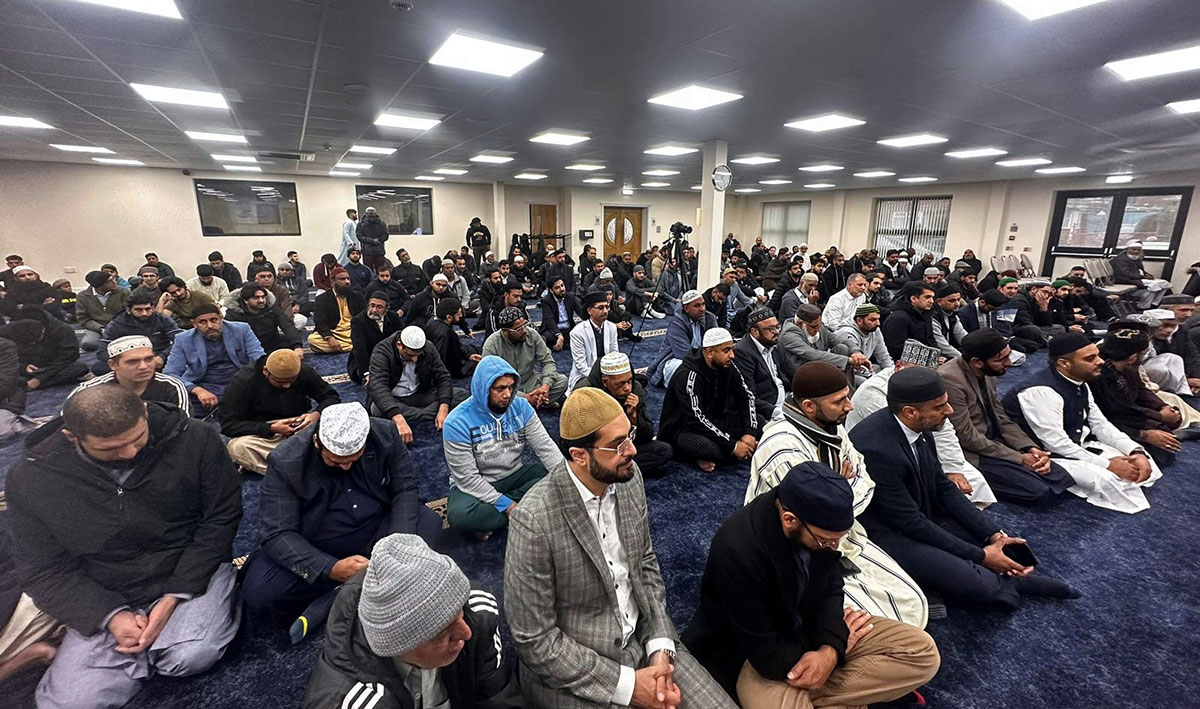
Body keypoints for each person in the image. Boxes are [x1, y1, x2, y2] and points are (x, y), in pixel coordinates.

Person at [7, 385, 242, 708]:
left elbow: (220, 520)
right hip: (104, 588)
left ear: (144, 413)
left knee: (189, 656)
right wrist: (110, 616)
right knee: (71, 703)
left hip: (188, 568)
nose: (130, 453)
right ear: (73, 437)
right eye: (112, 449)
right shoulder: (31, 478)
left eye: (137, 439)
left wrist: (175, 596)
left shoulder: (193, 438)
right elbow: (44, 568)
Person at [504, 387, 736, 709]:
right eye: (617, 445)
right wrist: (628, 686)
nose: (633, 451)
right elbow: (534, 639)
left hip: (644, 641)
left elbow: (645, 563)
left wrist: (659, 645)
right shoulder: (534, 520)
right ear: (579, 455)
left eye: (630, 436)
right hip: (577, 671)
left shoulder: (629, 478)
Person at [685, 462, 940, 705]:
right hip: (751, 660)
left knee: (923, 653)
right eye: (825, 541)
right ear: (789, 519)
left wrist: (830, 649)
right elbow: (768, 657)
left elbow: (831, 588)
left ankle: (818, 695)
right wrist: (836, 646)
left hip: (812, 636)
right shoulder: (737, 551)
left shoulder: (819, 527)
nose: (833, 547)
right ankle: (847, 697)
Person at [850, 368, 1079, 610]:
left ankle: (967, 575)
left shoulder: (918, 424)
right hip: (886, 532)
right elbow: (908, 522)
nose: (949, 412)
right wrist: (981, 556)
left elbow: (943, 487)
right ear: (910, 412)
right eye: (940, 407)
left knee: (988, 542)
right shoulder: (875, 448)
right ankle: (1002, 582)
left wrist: (993, 534)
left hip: (921, 513)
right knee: (981, 586)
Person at [746, 361, 930, 627]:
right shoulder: (782, 448)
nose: (850, 406)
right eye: (840, 400)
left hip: (840, 532)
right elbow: (814, 515)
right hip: (791, 546)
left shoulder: (832, 425)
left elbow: (864, 478)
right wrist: (842, 485)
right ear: (809, 406)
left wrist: (837, 489)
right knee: (866, 624)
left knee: (912, 600)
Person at [242, 403, 444, 627]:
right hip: (318, 542)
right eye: (336, 461)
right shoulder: (286, 461)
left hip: (377, 528)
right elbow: (278, 533)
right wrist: (331, 568)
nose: (346, 467)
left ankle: (335, 598)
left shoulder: (384, 434)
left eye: (353, 460)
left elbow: (404, 488)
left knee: (428, 522)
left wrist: (397, 544)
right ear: (317, 443)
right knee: (260, 594)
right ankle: (369, 586)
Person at [302, 534, 520, 708]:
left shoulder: (477, 614)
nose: (466, 633)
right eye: (441, 632)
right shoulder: (346, 700)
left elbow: (498, 697)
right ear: (396, 647)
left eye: (458, 612)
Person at [1002, 333, 1164, 514]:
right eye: (1091, 358)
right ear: (1064, 364)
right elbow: (1056, 444)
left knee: (1144, 463)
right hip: (1049, 455)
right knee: (1109, 480)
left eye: (1098, 355)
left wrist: (1135, 451)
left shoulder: (1080, 382)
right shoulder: (1040, 392)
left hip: (1078, 443)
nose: (1101, 361)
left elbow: (1100, 424)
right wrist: (1109, 464)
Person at [847, 339, 995, 510]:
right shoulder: (873, 393)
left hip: (921, 444)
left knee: (971, 480)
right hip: (886, 457)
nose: (917, 381)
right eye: (913, 372)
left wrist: (953, 468)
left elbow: (943, 427)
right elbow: (897, 436)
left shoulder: (929, 388)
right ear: (897, 366)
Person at [939, 329, 1074, 506]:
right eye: (1001, 359)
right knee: (1038, 491)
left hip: (993, 439)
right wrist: (1018, 458)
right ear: (977, 362)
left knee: (1061, 476)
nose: (1009, 363)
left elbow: (1001, 415)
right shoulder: (950, 379)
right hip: (971, 450)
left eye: (1008, 356)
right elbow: (966, 436)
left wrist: (1028, 448)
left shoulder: (989, 372)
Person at [442, 356, 562, 540]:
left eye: (511, 387)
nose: (507, 394)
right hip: (477, 483)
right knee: (459, 515)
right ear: (484, 389)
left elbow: (546, 448)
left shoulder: (521, 407)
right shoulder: (456, 421)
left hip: (515, 474)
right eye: (500, 388)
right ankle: (527, 508)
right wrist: (507, 505)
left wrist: (570, 483)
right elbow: (467, 479)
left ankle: (491, 517)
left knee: (558, 476)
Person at [220, 349, 340, 474]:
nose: (287, 386)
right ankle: (289, 471)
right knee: (237, 447)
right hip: (265, 434)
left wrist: (316, 414)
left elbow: (331, 397)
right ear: (265, 371)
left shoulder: (302, 371)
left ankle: (293, 463)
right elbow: (229, 425)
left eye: (291, 381)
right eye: (280, 382)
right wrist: (270, 428)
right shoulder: (244, 382)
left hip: (302, 427)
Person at [659, 327, 759, 472]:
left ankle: (734, 448)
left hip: (715, 420)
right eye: (726, 350)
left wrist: (750, 433)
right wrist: (733, 446)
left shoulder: (727, 365)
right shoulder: (688, 375)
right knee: (711, 450)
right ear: (710, 352)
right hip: (684, 429)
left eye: (732, 349)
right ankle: (694, 456)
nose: (732, 355)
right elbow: (696, 419)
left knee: (759, 423)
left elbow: (746, 397)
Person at [1090, 326, 1186, 467]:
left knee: (1173, 415)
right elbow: (1113, 414)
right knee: (1158, 452)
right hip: (1111, 421)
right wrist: (1147, 431)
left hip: (1128, 413)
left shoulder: (1128, 366)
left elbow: (1141, 389)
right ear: (1133, 357)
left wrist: (1162, 407)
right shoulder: (1097, 376)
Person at [571, 352, 673, 477]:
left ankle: (608, 472)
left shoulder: (635, 390)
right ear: (605, 381)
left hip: (623, 447)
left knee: (663, 450)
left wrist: (633, 417)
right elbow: (577, 441)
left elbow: (647, 436)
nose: (627, 388)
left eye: (629, 381)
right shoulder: (584, 395)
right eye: (620, 384)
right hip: (599, 450)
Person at [367, 326, 467, 443]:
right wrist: (398, 418)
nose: (414, 359)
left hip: (422, 394)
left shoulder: (428, 347)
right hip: (396, 399)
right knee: (377, 408)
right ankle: (426, 414)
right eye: (409, 355)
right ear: (399, 345)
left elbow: (443, 377)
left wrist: (443, 409)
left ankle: (418, 415)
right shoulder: (382, 351)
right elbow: (378, 387)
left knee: (461, 395)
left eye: (417, 355)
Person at [164, 303, 265, 415]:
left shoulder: (242, 329)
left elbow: (259, 359)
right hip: (204, 387)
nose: (210, 325)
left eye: (214, 320)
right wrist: (197, 390)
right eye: (203, 322)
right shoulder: (183, 339)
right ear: (194, 324)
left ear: (221, 318)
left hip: (241, 383)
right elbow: (170, 373)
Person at [68, 334, 190, 414]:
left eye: (148, 359)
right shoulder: (89, 390)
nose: (143, 367)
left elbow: (184, 427)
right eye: (133, 362)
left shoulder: (172, 386)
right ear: (113, 365)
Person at [482, 307, 568, 409]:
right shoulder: (492, 345)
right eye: (518, 329)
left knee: (562, 381)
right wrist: (524, 397)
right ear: (505, 331)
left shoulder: (532, 334)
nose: (524, 331)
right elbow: (490, 380)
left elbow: (548, 361)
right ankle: (536, 403)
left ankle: (532, 403)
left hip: (530, 382)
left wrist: (545, 387)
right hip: (507, 388)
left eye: (525, 325)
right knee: (493, 395)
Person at [0, 310, 91, 390]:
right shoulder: (8, 331)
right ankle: (23, 384)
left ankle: (25, 385)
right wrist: (23, 367)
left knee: (79, 368)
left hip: (51, 365)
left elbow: (69, 357)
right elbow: (5, 359)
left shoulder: (62, 329)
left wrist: (40, 379)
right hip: (22, 365)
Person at [97, 289, 181, 371]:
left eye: (147, 309)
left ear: (152, 308)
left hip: (158, 357)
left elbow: (181, 341)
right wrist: (127, 361)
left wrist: (163, 356)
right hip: (129, 359)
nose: (144, 313)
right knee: (99, 368)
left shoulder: (162, 320)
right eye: (138, 310)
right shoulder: (117, 323)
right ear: (129, 310)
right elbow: (102, 350)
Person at [778, 303, 864, 383]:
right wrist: (848, 361)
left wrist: (856, 352)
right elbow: (812, 354)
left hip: (820, 369)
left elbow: (840, 339)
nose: (818, 329)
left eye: (819, 325)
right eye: (814, 327)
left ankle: (846, 389)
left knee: (842, 348)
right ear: (800, 324)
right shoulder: (789, 333)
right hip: (804, 376)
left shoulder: (818, 326)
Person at [650, 289, 716, 386]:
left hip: (704, 357)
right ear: (686, 308)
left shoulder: (710, 318)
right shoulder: (676, 324)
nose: (702, 309)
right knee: (680, 367)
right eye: (697, 306)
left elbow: (715, 344)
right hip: (677, 358)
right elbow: (684, 354)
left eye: (703, 304)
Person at [734, 307, 788, 425]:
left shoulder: (775, 344)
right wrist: (777, 412)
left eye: (777, 327)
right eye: (771, 329)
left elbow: (787, 374)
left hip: (786, 402)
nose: (776, 332)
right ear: (755, 332)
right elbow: (749, 396)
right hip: (767, 412)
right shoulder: (743, 353)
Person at [224, 283, 303, 355]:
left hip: (272, 344)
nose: (261, 300)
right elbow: (229, 338)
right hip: (248, 349)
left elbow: (287, 326)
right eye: (256, 298)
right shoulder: (233, 314)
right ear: (245, 300)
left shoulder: (271, 308)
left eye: (263, 297)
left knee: (289, 345)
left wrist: (297, 346)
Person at [348, 291, 404, 385]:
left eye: (379, 307)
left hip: (388, 357)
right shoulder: (358, 321)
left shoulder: (393, 316)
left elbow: (401, 336)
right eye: (372, 305)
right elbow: (360, 350)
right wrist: (366, 373)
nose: (374, 310)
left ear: (387, 309)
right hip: (367, 360)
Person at [567, 290, 619, 390]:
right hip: (587, 376)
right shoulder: (577, 332)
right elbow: (581, 367)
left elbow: (614, 354)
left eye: (606, 307)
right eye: (600, 308)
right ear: (589, 310)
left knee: (636, 383)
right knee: (584, 389)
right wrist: (602, 379)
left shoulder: (612, 327)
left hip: (608, 373)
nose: (605, 311)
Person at [309, 267, 365, 354]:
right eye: (342, 279)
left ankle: (345, 346)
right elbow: (320, 322)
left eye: (348, 279)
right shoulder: (322, 299)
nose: (347, 282)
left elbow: (364, 317)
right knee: (312, 340)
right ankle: (354, 347)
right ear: (332, 282)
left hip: (353, 331)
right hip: (335, 333)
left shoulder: (357, 296)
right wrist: (330, 338)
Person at [424, 297, 482, 379]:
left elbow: (456, 346)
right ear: (449, 317)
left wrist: (468, 355)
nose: (461, 316)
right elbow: (440, 360)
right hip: (454, 368)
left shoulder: (433, 321)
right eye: (458, 314)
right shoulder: (443, 334)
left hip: (454, 355)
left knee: (476, 350)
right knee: (482, 362)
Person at [881, 282, 937, 361]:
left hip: (926, 358)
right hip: (903, 362)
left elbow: (930, 340)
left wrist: (937, 355)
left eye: (932, 297)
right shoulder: (897, 318)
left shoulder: (926, 314)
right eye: (927, 297)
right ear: (913, 299)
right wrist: (929, 357)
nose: (931, 301)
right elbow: (896, 349)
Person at [76, 269, 129, 351]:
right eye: (109, 281)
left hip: (119, 325)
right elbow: (83, 318)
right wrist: (100, 328)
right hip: (96, 327)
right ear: (100, 286)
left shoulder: (123, 292)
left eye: (113, 279)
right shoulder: (83, 296)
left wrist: (114, 326)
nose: (114, 282)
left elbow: (128, 312)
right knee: (88, 343)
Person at [1110, 240, 1170, 309]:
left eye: (1138, 250)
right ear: (1127, 249)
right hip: (1126, 280)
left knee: (1165, 284)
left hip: (1137, 278)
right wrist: (1143, 276)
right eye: (1133, 249)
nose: (1136, 251)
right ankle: (1144, 307)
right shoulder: (1120, 260)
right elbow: (1126, 273)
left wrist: (1148, 275)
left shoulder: (1136, 258)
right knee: (1153, 287)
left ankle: (1154, 304)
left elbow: (1141, 270)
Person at [538, 276, 582, 351]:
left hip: (568, 328)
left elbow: (582, 312)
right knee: (549, 338)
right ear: (551, 290)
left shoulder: (570, 297)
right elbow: (549, 320)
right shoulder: (546, 301)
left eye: (562, 285)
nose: (562, 289)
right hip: (554, 330)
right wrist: (559, 335)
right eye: (557, 287)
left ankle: (564, 343)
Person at [930, 283, 968, 358]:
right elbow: (942, 346)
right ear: (939, 302)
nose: (957, 304)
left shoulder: (953, 315)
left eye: (958, 300)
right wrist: (962, 358)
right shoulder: (933, 317)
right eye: (952, 301)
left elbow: (963, 336)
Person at [356, 206, 390, 271]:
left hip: (379, 250)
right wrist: (372, 241)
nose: (371, 217)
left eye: (372, 215)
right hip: (367, 251)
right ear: (366, 214)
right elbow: (359, 236)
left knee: (381, 270)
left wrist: (379, 240)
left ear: (375, 214)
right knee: (368, 270)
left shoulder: (382, 224)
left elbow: (385, 235)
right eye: (369, 215)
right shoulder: (360, 224)